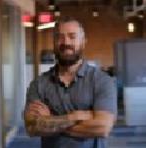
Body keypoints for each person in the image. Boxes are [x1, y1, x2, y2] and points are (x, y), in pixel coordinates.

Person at [24, 16, 117, 148]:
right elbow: (32, 127)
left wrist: (50, 121)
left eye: (72, 36)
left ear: (83, 42)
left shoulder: (102, 80)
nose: (66, 42)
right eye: (60, 37)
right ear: (54, 42)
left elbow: (103, 127)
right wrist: (74, 117)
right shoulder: (39, 84)